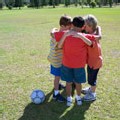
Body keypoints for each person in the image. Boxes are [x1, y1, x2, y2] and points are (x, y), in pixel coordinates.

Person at [54, 16, 96, 106]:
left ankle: (70, 98)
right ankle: (77, 97)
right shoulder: (69, 34)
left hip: (70, 64)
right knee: (78, 83)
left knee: (68, 83)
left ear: (72, 25)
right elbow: (95, 40)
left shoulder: (82, 35)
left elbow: (91, 43)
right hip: (75, 65)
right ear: (83, 26)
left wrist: (79, 36)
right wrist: (66, 35)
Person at [74, 14, 103, 101]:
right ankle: (91, 89)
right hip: (92, 62)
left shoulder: (93, 37)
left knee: (92, 79)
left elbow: (90, 43)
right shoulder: (91, 33)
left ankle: (93, 94)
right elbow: (98, 28)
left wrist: (80, 35)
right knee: (90, 77)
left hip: (95, 63)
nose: (83, 27)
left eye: (85, 26)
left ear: (90, 26)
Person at [47, 15, 72, 102]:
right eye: (68, 26)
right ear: (62, 26)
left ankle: (58, 86)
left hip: (53, 58)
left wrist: (53, 30)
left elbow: (53, 31)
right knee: (57, 76)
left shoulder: (56, 32)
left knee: (57, 76)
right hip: (57, 60)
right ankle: (56, 94)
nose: (69, 28)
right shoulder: (62, 35)